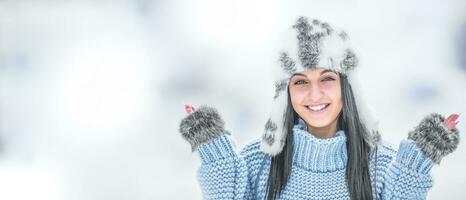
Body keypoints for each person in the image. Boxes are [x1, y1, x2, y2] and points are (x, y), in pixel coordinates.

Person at [178, 16, 461, 200]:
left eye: (327, 78)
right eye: (300, 82)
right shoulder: (260, 161)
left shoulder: (381, 163)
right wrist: (216, 156)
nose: (314, 94)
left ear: (347, 87)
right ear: (285, 92)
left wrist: (415, 164)